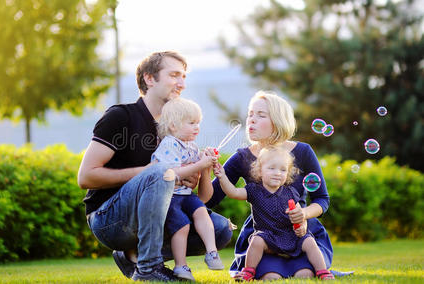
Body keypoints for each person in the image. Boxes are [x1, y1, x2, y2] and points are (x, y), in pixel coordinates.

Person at [77, 51, 232, 282]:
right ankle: (149, 269)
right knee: (161, 171)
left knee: (220, 229)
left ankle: (134, 257)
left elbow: (198, 196)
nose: (181, 83)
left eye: (184, 77)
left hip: (162, 213)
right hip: (109, 218)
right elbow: (86, 177)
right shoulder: (121, 116)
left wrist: (195, 173)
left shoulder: (177, 131)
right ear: (150, 79)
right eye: (174, 75)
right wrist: (156, 173)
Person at [205, 90, 335, 280]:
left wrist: (304, 214)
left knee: (305, 274)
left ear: (278, 120)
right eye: (250, 114)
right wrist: (203, 169)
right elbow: (210, 198)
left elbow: (322, 199)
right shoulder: (242, 157)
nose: (251, 120)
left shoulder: (303, 151)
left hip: (301, 231)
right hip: (263, 234)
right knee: (270, 276)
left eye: (260, 115)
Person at [214, 146, 335, 280]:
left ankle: (323, 272)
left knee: (310, 241)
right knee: (256, 240)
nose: (277, 173)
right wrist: (222, 177)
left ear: (288, 174)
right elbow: (233, 192)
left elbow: (298, 214)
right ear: (260, 171)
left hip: (290, 235)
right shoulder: (254, 190)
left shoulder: (291, 192)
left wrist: (302, 225)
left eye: (283, 170)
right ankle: (248, 271)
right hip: (268, 236)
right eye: (271, 168)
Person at [151, 97, 224, 281]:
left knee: (202, 212)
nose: (197, 127)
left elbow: (195, 166)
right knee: (182, 226)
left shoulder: (190, 145)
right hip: (169, 197)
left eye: (198, 123)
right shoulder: (169, 144)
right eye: (191, 123)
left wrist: (205, 158)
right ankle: (180, 266)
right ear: (174, 126)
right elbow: (172, 174)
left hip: (185, 194)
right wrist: (200, 164)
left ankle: (212, 252)